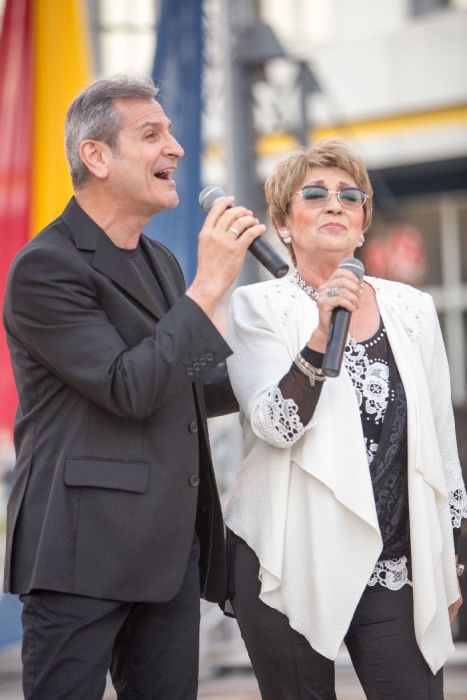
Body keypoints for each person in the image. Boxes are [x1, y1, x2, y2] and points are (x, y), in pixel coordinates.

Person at [2, 75, 265, 700]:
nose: (175, 148)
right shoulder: (45, 268)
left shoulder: (160, 261)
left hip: (167, 554)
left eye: (170, 131)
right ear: (96, 156)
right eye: (152, 134)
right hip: (79, 554)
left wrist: (292, 364)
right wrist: (210, 286)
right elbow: (129, 388)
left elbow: (180, 385)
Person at [223, 137, 467, 699]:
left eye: (350, 196)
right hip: (287, 554)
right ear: (284, 225)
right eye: (315, 194)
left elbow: (440, 440)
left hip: (392, 561)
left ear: (362, 225)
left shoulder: (412, 308)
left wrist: (451, 554)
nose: (335, 204)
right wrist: (319, 334)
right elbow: (275, 425)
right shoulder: (258, 307)